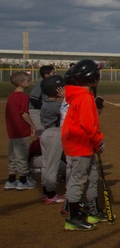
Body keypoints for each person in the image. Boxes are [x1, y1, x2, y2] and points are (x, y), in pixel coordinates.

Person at [61, 59, 108, 231]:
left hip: (84, 144)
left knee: (91, 179)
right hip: (80, 145)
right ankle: (72, 218)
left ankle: (93, 211)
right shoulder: (84, 97)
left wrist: (96, 141)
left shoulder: (82, 95)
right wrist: (98, 141)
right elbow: (88, 125)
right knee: (78, 180)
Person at [5, 71, 37, 191]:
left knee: (12, 156)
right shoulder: (23, 97)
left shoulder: (11, 96)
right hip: (21, 131)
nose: (30, 82)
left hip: (12, 131)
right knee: (22, 156)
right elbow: (24, 114)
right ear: (21, 83)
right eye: (28, 80)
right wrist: (32, 126)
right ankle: (23, 180)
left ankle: (11, 180)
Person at [38, 74, 67, 204]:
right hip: (54, 135)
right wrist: (66, 97)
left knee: (47, 164)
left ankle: (46, 192)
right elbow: (71, 110)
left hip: (47, 134)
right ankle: (50, 194)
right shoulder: (54, 105)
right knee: (51, 166)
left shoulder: (47, 102)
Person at [28, 65, 56, 132]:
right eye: (53, 73)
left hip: (44, 111)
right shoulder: (41, 84)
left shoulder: (51, 84)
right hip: (36, 111)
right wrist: (44, 107)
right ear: (46, 75)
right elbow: (33, 99)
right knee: (40, 132)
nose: (55, 74)